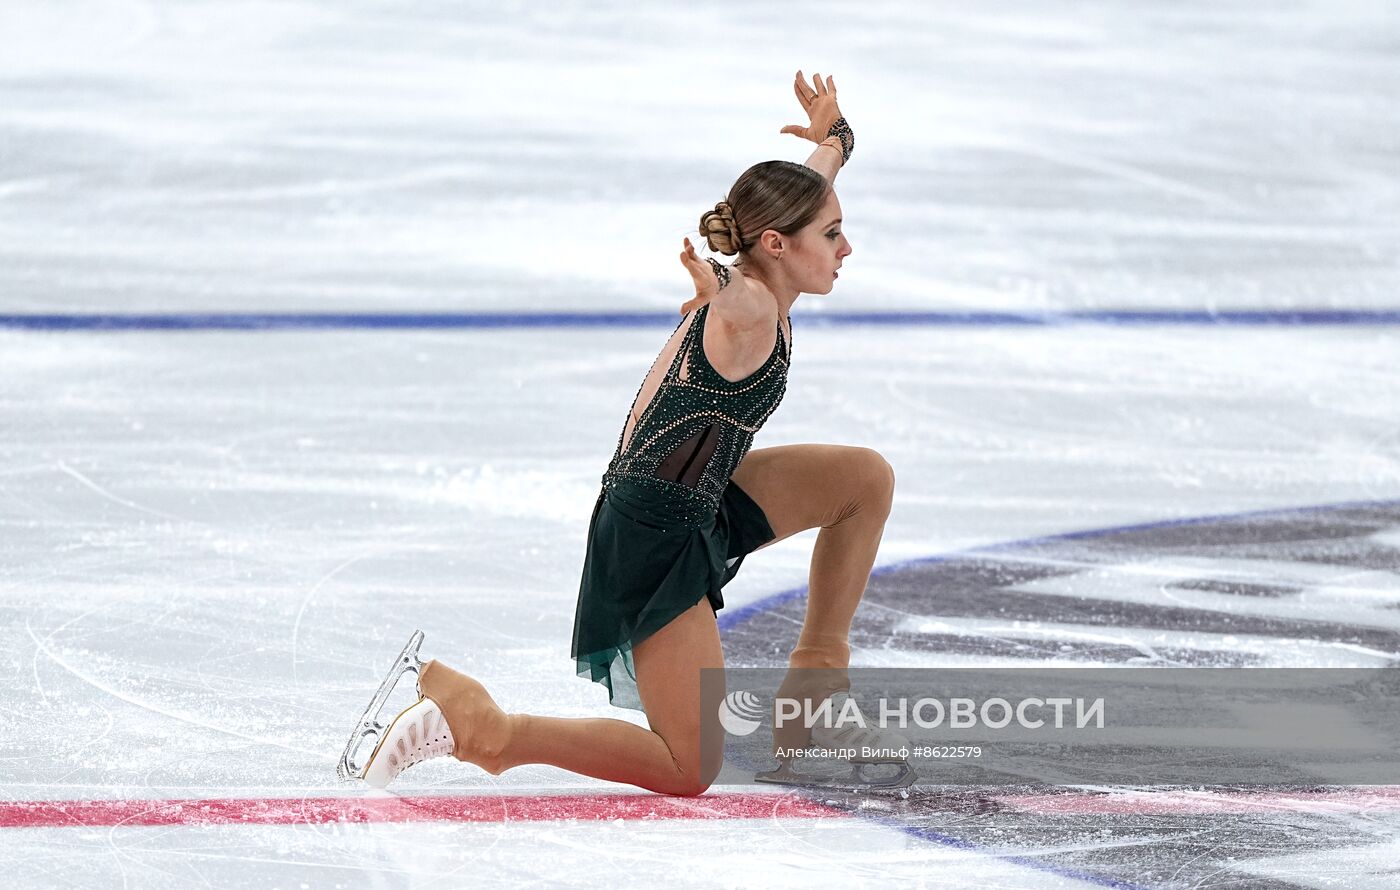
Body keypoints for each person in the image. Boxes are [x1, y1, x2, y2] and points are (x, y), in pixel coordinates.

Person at [351, 71, 898, 796]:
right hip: (655, 531)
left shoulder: (770, 265)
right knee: (687, 768)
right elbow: (738, 297)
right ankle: (484, 726)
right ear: (775, 243)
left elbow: (816, 175)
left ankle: (816, 693)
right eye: (832, 234)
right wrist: (716, 285)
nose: (846, 246)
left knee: (862, 480)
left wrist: (834, 137)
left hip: (702, 497)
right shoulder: (755, 307)